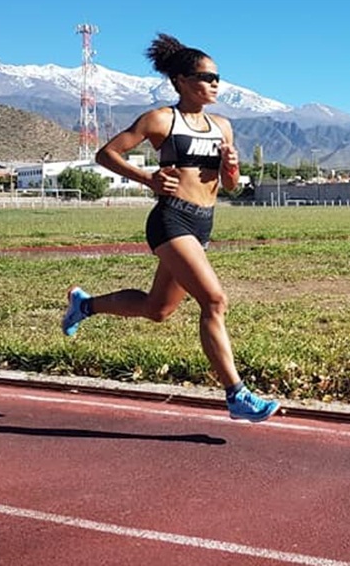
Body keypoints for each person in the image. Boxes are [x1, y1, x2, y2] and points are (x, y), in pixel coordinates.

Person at [60, 33, 279, 423]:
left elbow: (228, 186)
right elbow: (106, 153)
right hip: (170, 219)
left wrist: (231, 168)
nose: (214, 83)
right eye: (205, 76)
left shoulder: (222, 126)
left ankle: (85, 305)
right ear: (180, 80)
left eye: (217, 77)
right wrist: (147, 179)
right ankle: (236, 395)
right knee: (214, 301)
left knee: (157, 309)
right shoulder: (162, 119)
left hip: (203, 222)